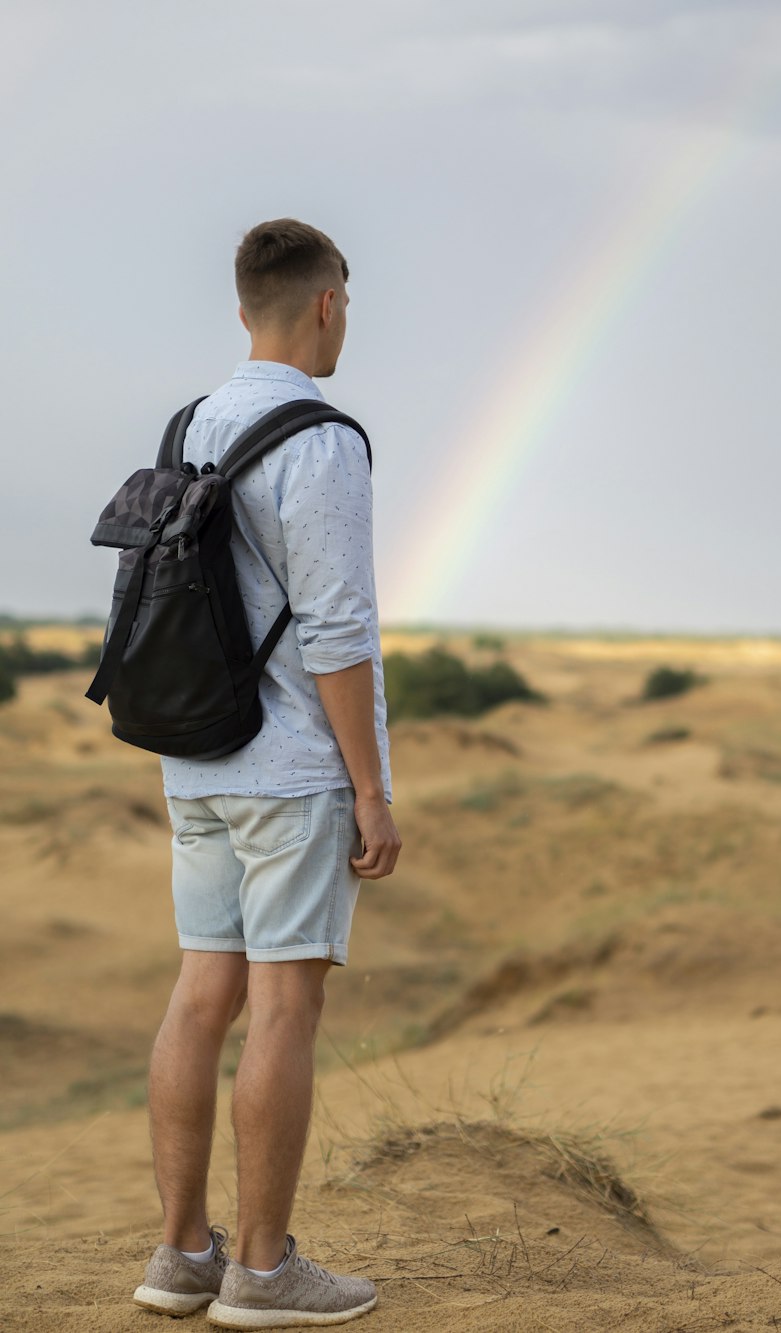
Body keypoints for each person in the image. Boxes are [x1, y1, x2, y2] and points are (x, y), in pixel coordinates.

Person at [131, 218, 400, 1328]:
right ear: (327, 302)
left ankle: (180, 1256)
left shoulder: (191, 423)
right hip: (291, 771)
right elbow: (337, 633)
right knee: (284, 1008)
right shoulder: (321, 438)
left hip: (195, 756)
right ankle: (263, 1267)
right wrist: (372, 790)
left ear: (246, 307)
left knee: (202, 995)